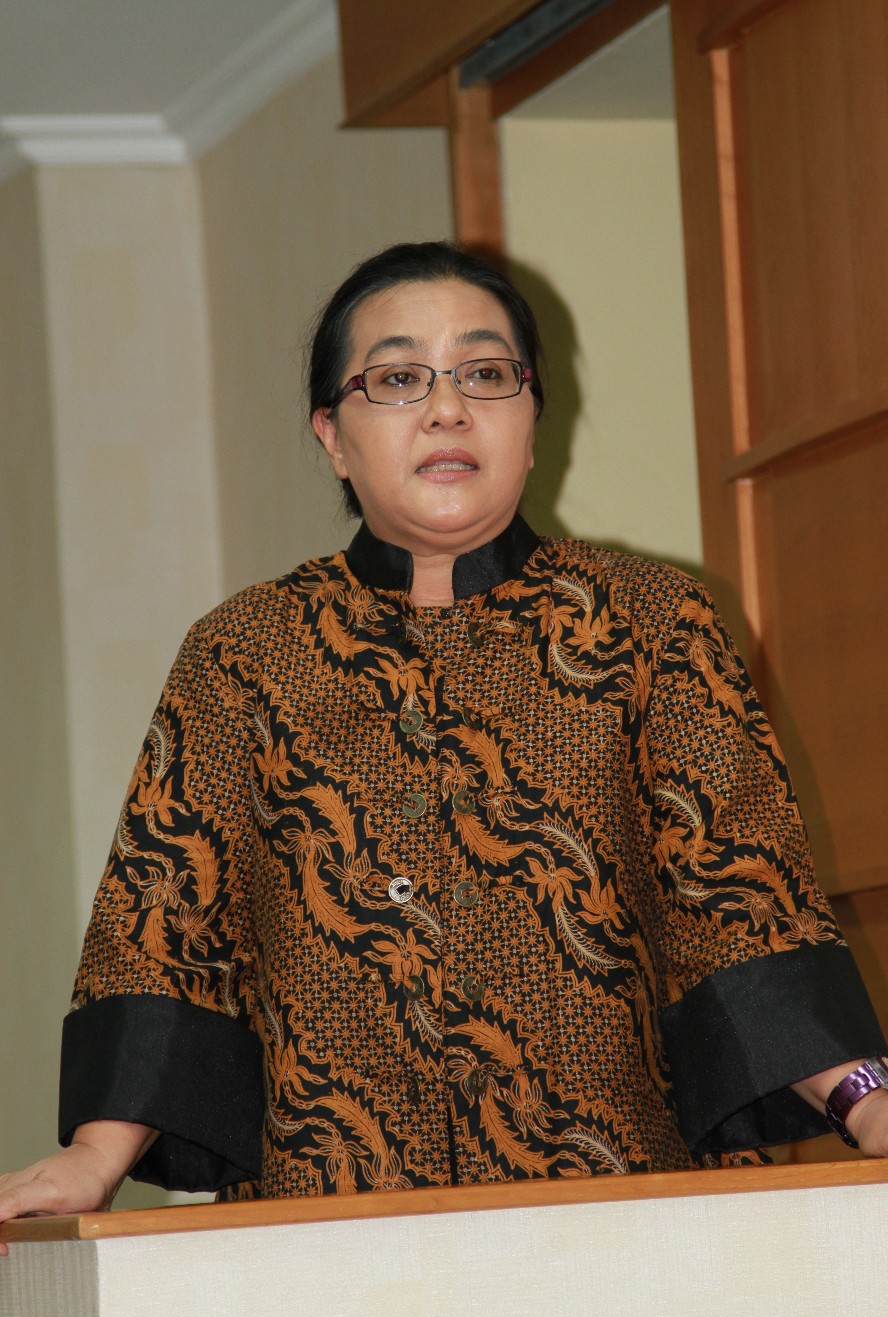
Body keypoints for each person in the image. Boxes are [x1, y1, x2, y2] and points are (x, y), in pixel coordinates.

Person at [2, 241, 887, 1249]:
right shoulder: (242, 654)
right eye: (397, 379)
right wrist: (94, 1156)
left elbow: (741, 899)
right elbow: (164, 921)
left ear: (531, 418)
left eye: (486, 372)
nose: (448, 408)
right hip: (333, 1219)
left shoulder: (651, 623)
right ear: (333, 437)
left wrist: (868, 1100)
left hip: (623, 1213)